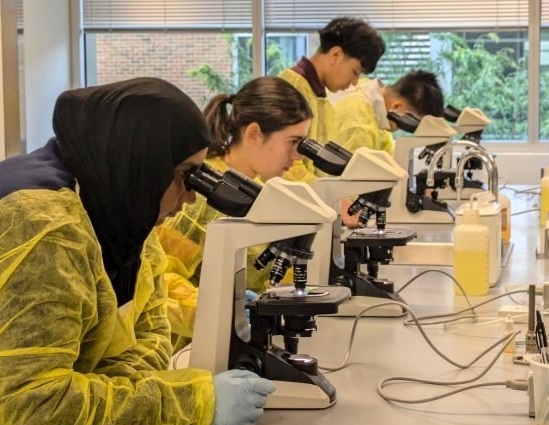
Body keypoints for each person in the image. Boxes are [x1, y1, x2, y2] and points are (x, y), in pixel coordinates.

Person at [0, 77, 275, 425]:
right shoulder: (45, 226)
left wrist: (84, 407)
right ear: (140, 163)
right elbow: (36, 401)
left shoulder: (124, 211)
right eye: (183, 176)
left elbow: (153, 334)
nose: (192, 198)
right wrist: (192, 401)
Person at [156, 76, 312, 347]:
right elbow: (160, 282)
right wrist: (222, 310)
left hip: (242, 341)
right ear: (254, 134)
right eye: (293, 142)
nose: (300, 156)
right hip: (193, 350)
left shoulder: (260, 189)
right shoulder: (200, 197)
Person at [330, 71, 444, 227]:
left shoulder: (375, 105)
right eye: (410, 126)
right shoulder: (359, 125)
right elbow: (350, 193)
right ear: (396, 107)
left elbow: (390, 163)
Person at [280, 16, 385, 183]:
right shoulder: (292, 89)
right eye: (355, 72)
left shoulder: (320, 97)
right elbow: (286, 167)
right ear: (335, 54)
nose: (355, 83)